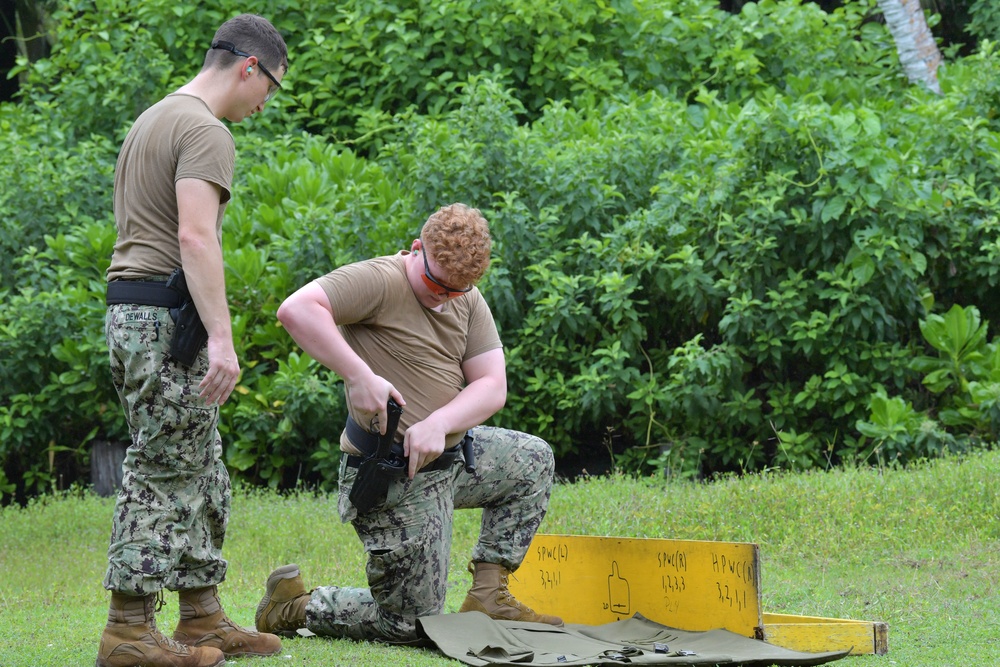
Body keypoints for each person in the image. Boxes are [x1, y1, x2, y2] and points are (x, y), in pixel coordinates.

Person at [256, 203, 563, 643]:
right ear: (417, 249)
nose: (445, 297)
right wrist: (359, 375)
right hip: (392, 473)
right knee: (414, 626)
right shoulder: (381, 280)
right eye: (437, 284)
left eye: (459, 289)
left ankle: (489, 595)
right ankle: (295, 606)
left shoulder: (465, 297)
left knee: (531, 459)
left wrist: (440, 422)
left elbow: (493, 385)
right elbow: (297, 309)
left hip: (451, 460)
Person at [99, 14, 288, 667]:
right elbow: (195, 237)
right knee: (162, 466)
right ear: (248, 67)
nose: (265, 105)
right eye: (271, 88)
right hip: (164, 319)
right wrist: (223, 336)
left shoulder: (156, 116)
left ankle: (202, 616)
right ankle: (128, 630)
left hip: (141, 313)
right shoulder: (207, 130)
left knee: (200, 462)